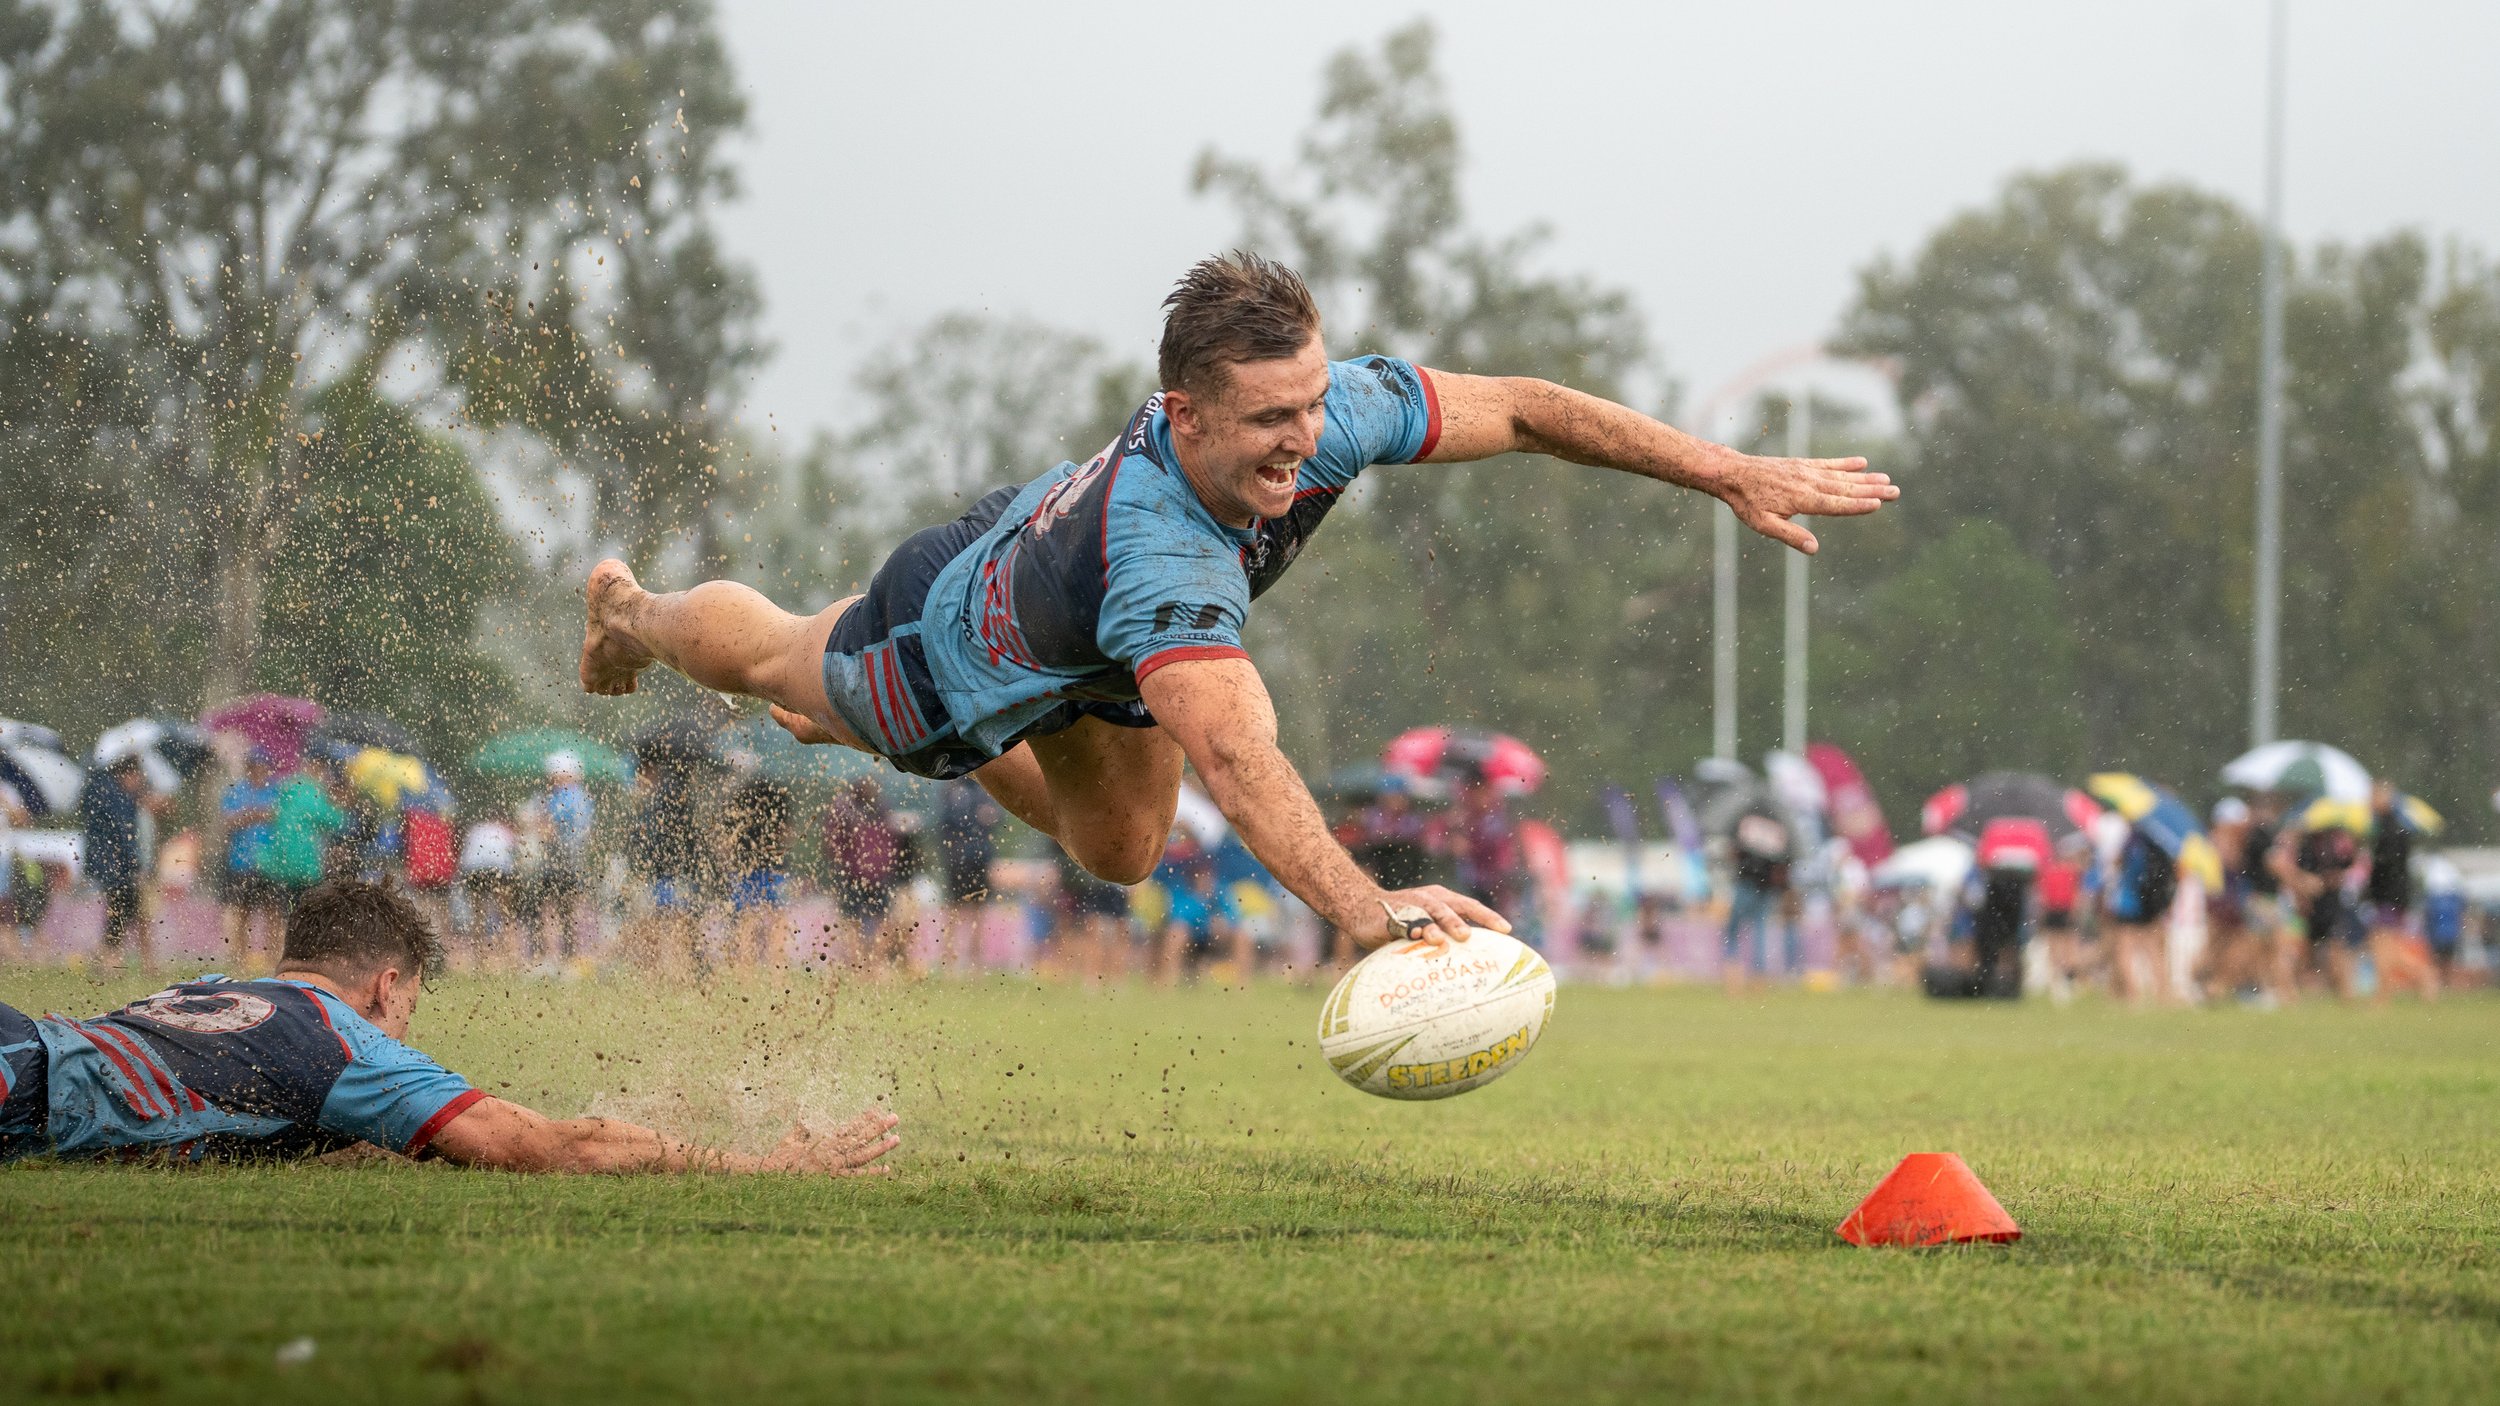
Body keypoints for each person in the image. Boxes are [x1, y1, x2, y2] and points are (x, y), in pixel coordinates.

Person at [576, 252, 1895, 955]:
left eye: (1311, 405)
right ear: (1183, 411)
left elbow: (1530, 409)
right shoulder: (1166, 562)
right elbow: (1237, 753)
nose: (1301, 443)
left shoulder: (1326, 416)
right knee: (783, 669)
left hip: (1054, 594)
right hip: (934, 652)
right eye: (1268, 420)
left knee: (1126, 854)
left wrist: (1726, 469)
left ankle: (999, 715)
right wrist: (1366, 908)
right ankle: (633, 610)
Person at [0, 878, 899, 1173]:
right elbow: (547, 1147)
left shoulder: (213, 987)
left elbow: (271, 1109)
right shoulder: (342, 1042)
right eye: (413, 1008)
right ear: (387, 987)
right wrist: (754, 1165)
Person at [78, 756, 164, 968]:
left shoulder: (107, 792)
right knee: (120, 911)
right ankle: (108, 958)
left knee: (120, 911)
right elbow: (122, 836)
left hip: (113, 867)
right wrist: (135, 865)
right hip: (117, 868)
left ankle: (106, 957)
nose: (139, 780)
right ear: (126, 774)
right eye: (136, 775)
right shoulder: (116, 798)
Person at [216, 749, 288, 971]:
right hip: (241, 862)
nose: (259, 771)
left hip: (271, 863)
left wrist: (253, 815)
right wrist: (253, 815)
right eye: (255, 766)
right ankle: (240, 960)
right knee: (242, 911)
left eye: (263, 767)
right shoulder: (236, 791)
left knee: (273, 912)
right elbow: (227, 822)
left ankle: (274, 959)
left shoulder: (277, 791)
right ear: (248, 768)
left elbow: (282, 819)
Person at [2362, 780, 2434, 1000]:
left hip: (2389, 897)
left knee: (2383, 948)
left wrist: (2372, 872)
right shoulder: (2389, 827)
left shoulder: (2390, 829)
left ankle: (2422, 978)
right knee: (2384, 948)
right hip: (2391, 897)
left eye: (2373, 796)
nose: (2369, 801)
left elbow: (2388, 868)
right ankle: (2420, 979)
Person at [821, 778, 906, 964]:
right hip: (856, 872)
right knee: (857, 919)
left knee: (875, 919)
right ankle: (860, 961)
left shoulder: (879, 808)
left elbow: (890, 842)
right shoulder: (848, 809)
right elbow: (833, 841)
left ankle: (871, 962)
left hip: (871, 873)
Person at [721, 762, 795, 966]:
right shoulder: (779, 795)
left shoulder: (736, 799)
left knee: (747, 923)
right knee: (778, 922)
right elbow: (787, 833)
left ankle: (746, 975)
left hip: (744, 869)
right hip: (774, 869)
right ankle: (778, 974)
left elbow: (727, 839)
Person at [933, 779, 1004, 972]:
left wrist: (992, 816)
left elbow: (998, 817)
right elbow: (944, 824)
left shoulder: (985, 788)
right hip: (959, 861)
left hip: (980, 859)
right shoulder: (953, 788)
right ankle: (948, 961)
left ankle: (976, 963)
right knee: (954, 909)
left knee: (978, 911)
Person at [1721, 803, 1793, 994]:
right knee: (1759, 934)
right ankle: (1758, 981)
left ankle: (1733, 979)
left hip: (1746, 884)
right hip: (1766, 889)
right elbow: (1784, 862)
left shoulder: (1747, 823)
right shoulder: (1777, 828)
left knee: (1732, 932)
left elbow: (1734, 852)